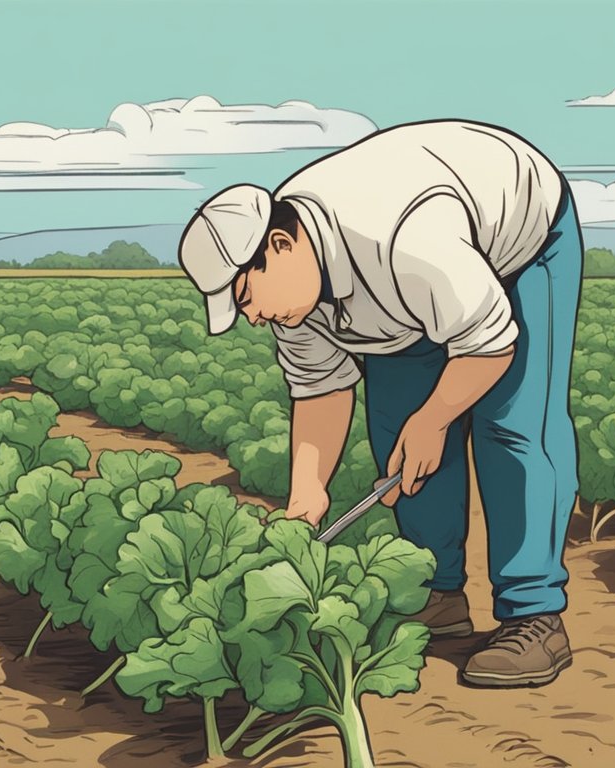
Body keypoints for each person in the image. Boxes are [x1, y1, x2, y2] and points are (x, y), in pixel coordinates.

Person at [177, 119, 581, 688]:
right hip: (399, 298)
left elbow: (490, 345)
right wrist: (306, 495)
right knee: (399, 441)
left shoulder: (402, 238)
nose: (254, 316)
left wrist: (437, 418)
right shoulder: (293, 295)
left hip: (517, 241)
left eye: (247, 297)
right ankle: (436, 592)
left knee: (512, 428)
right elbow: (321, 389)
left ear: (281, 245)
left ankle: (534, 614)